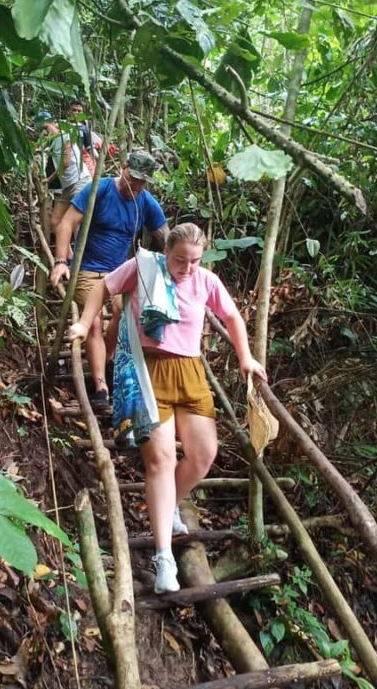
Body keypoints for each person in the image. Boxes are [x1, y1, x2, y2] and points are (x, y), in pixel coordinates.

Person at [68, 222, 267, 594]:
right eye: (180, 260)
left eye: (194, 261)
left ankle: (169, 502)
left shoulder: (205, 281)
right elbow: (102, 286)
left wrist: (246, 358)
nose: (187, 268)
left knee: (204, 455)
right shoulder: (143, 268)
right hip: (149, 369)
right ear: (166, 252)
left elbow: (232, 317)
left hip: (190, 372)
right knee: (160, 460)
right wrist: (83, 323)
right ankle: (164, 557)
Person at [50, 150, 168, 410]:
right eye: (132, 179)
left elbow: (165, 238)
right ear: (123, 168)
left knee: (123, 314)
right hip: (87, 269)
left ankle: (105, 360)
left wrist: (174, 272)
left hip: (118, 273)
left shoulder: (145, 202)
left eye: (141, 183)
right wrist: (60, 261)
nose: (135, 187)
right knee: (91, 323)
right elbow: (66, 223)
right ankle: (101, 385)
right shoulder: (100, 190)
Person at [36, 110, 92, 235]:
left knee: (76, 224)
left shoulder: (65, 136)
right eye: (43, 129)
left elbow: (65, 163)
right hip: (67, 186)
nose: (45, 131)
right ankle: (70, 255)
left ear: (54, 124)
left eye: (46, 127)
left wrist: (49, 179)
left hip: (79, 182)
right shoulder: (52, 141)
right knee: (55, 222)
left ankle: (79, 254)